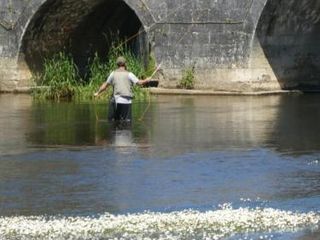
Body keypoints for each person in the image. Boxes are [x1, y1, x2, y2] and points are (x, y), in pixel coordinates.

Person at [94, 56, 150, 122]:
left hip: (117, 101)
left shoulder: (113, 74)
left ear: (117, 64)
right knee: (126, 122)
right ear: (125, 64)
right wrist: (147, 80)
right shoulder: (130, 74)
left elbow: (105, 85)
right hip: (127, 102)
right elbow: (140, 83)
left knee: (116, 122)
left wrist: (97, 93)